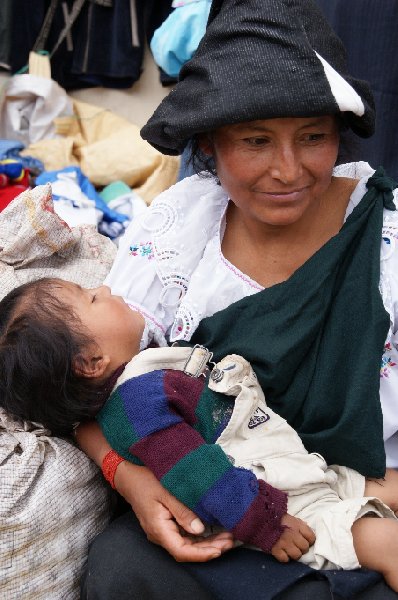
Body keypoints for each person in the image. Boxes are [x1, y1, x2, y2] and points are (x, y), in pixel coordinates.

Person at [71, 0, 398, 598]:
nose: (288, 168)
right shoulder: (177, 230)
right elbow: (87, 394)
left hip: (364, 512)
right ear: (210, 146)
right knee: (124, 567)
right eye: (254, 140)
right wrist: (134, 484)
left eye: (313, 137)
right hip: (222, 511)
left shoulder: (387, 240)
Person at [2, 276, 398, 590]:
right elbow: (197, 472)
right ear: (90, 362)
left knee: (386, 485)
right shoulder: (135, 406)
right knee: (386, 542)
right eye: (91, 298)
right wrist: (267, 523)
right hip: (275, 500)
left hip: (296, 469)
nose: (105, 288)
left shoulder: (145, 375)